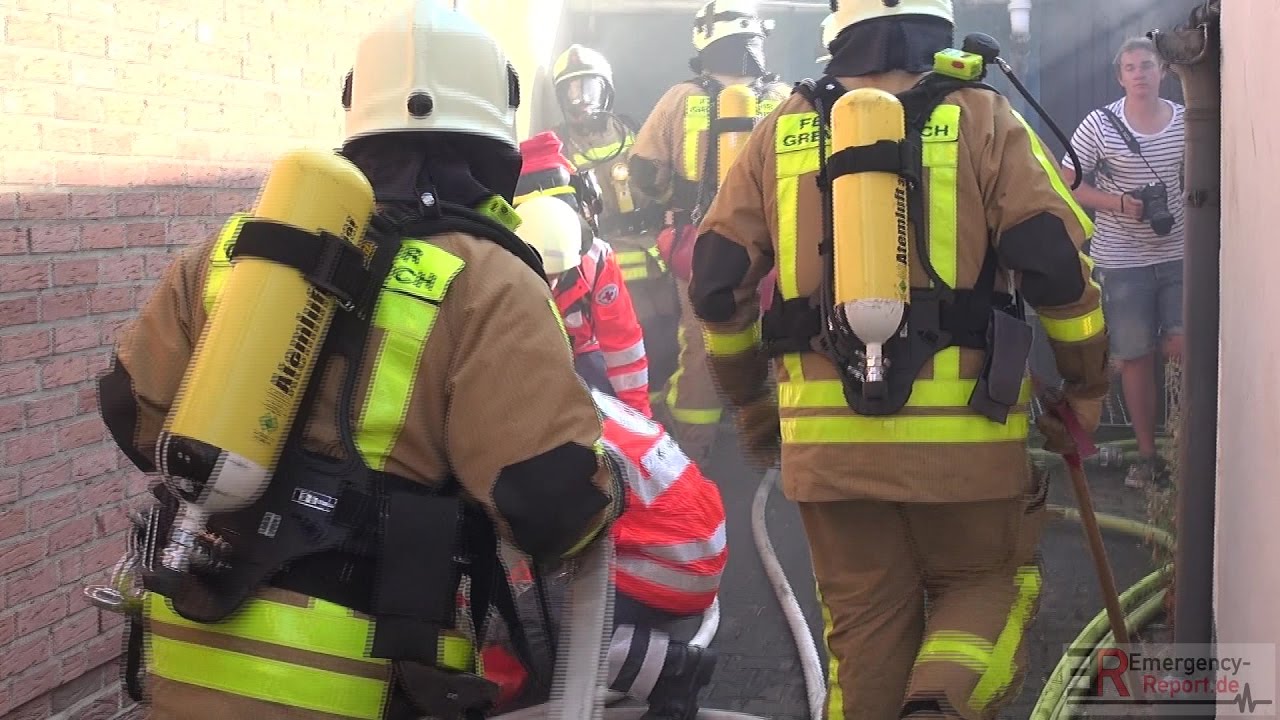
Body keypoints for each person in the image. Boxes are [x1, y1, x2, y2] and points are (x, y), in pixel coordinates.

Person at [96, 4, 623, 718]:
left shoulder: (240, 249)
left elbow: (131, 410)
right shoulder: (492, 280)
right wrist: (608, 487)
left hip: (187, 654)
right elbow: (550, 509)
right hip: (360, 684)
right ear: (498, 129)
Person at [687, 1, 1111, 718]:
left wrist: (754, 404)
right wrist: (1086, 384)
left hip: (828, 452)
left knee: (864, 632)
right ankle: (941, 706)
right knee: (985, 587)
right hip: (968, 447)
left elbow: (714, 279)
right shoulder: (981, 114)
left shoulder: (782, 128)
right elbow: (1056, 266)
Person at [480, 388, 725, 720]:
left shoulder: (534, 429)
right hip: (692, 543)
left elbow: (551, 535)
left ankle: (672, 669)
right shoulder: (563, 390)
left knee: (532, 621)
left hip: (671, 563)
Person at [627, 0, 792, 463]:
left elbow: (645, 172)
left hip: (698, 247)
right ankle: (771, 446)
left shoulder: (680, 98)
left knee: (700, 346)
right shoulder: (782, 97)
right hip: (776, 249)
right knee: (775, 340)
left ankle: (688, 454)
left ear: (703, 38)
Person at [1061, 35, 1185, 489]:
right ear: (1120, 77)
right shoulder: (1100, 124)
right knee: (1135, 357)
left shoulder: (1186, 121)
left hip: (1177, 252)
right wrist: (1116, 202)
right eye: (1131, 68)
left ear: (1163, 72)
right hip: (1122, 259)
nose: (1139, 74)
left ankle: (1187, 446)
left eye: (1147, 66)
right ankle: (1150, 458)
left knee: (1181, 347)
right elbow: (1067, 181)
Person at [549, 45, 682, 413]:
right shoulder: (557, 146)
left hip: (657, 261)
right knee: (622, 354)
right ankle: (631, 420)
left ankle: (658, 419)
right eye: (570, 91)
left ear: (606, 89)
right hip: (603, 276)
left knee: (669, 345)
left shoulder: (637, 131)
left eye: (588, 88)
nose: (580, 100)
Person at [514, 132, 653, 417]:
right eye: (542, 272)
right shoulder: (495, 267)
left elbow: (622, 345)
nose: (551, 283)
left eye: (558, 272)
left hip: (584, 359)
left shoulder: (596, 260)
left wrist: (637, 420)